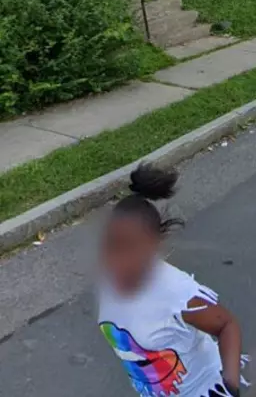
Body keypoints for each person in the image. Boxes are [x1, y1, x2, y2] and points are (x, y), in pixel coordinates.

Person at [98, 165, 246, 397]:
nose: (118, 258)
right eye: (113, 244)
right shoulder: (109, 281)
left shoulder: (177, 293)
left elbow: (227, 326)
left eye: (130, 248)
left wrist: (230, 388)